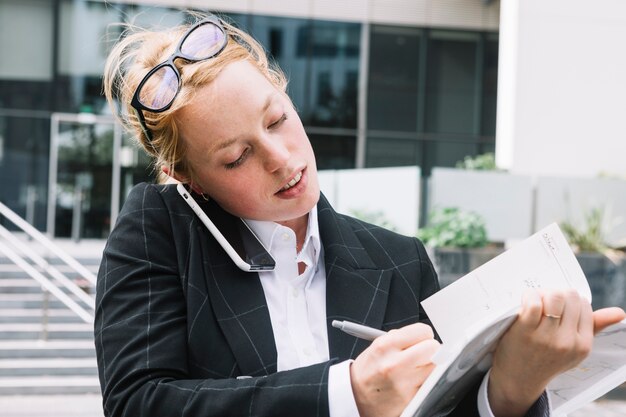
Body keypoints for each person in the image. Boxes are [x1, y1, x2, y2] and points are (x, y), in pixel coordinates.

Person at [95, 11, 625, 417]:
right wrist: (347, 394)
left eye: (277, 120)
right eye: (236, 157)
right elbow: (138, 402)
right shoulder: (159, 231)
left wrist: (510, 389)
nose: (282, 159)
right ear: (191, 181)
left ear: (285, 93)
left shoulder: (399, 261)